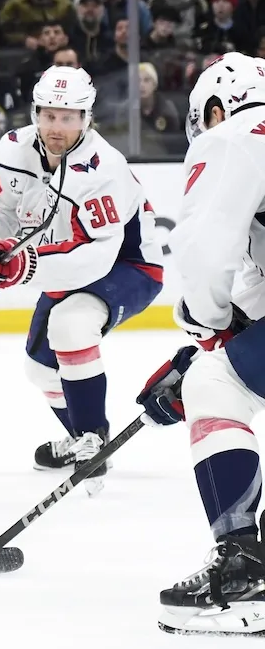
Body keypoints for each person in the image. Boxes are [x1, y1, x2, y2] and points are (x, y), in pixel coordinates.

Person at [0, 66, 163, 495]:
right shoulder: (12, 149)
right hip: (59, 261)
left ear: (86, 118)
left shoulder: (105, 168)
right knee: (39, 367)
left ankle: (93, 440)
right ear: (35, 112)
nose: (58, 127)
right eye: (50, 115)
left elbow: (94, 257)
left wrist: (22, 265)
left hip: (128, 266)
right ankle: (82, 439)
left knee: (70, 324)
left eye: (69, 117)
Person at [137, 52, 265, 636]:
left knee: (216, 383)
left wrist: (208, 340)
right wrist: (229, 335)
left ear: (216, 108)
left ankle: (245, 572)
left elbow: (203, 248)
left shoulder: (237, 133)